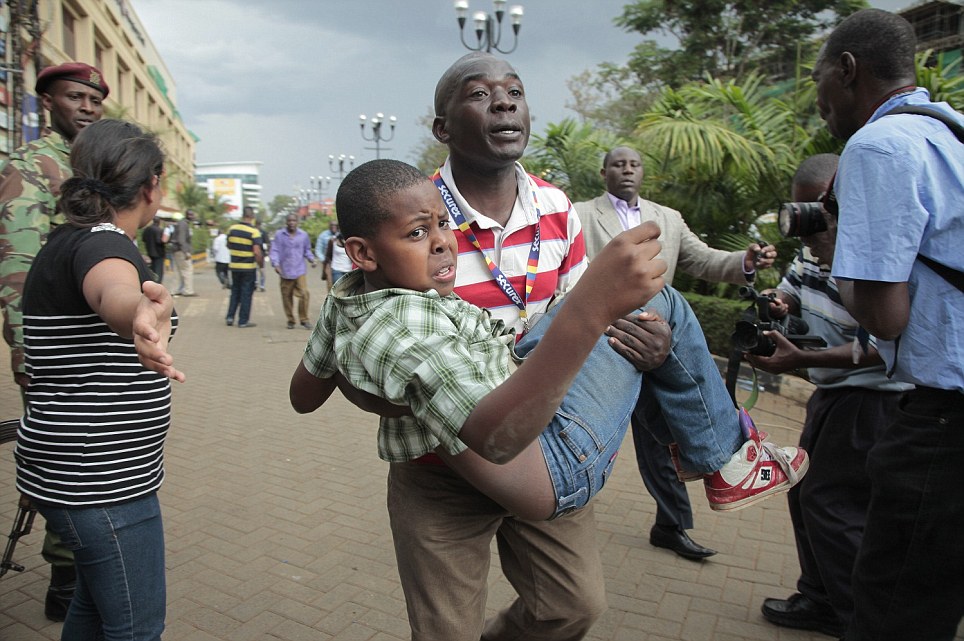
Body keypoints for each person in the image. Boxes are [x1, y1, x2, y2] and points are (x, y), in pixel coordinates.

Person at [299, 53, 807, 641]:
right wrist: (380, 393)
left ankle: (709, 451)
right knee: (445, 630)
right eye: (479, 94)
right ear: (442, 127)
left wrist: (647, 339)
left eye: (514, 90)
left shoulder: (556, 208)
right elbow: (350, 338)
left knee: (572, 608)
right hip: (440, 464)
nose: (504, 101)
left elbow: (581, 315)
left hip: (543, 430)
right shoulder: (407, 212)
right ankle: (718, 452)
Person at [812, 9, 964, 640]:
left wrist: (837, 246)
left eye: (819, 87)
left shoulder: (878, 146)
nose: (820, 105)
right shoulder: (951, 131)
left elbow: (883, 315)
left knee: (895, 606)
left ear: (847, 70)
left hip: (944, 425)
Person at [16, 118, 184, 640]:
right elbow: (113, 290)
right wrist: (136, 310)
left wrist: (138, 311)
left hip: (76, 474)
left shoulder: (70, 240)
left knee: (91, 612)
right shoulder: (103, 245)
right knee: (135, 628)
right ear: (151, 185)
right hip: (101, 484)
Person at [575, 146, 777, 561]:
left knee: (660, 438)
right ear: (603, 172)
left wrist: (747, 261)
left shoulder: (666, 217)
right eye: (618, 164)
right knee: (588, 432)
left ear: (643, 172)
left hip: (658, 340)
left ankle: (671, 525)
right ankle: (558, 507)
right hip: (606, 341)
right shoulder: (578, 213)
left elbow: (703, 260)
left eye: (634, 164)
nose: (627, 170)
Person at [746, 153, 913, 636]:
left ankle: (856, 618)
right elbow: (794, 289)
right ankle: (818, 597)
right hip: (833, 395)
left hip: (872, 400)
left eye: (816, 217)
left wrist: (802, 359)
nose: (806, 228)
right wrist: (781, 304)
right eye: (802, 215)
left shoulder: (874, 254)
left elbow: (888, 345)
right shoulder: (813, 248)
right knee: (804, 494)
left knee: (832, 503)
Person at [0, 60, 107, 622]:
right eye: (75, 97)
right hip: (54, 347)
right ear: (48, 102)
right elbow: (17, 264)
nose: (87, 108)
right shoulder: (32, 166)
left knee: (96, 455)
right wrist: (27, 350)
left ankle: (83, 563)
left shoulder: (96, 168)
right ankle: (66, 575)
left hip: (99, 341)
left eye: (94, 100)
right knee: (65, 459)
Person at [270, 213, 316, 329]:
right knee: (286, 296)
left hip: (299, 270)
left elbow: (307, 250)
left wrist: (311, 259)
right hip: (285, 271)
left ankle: (304, 319)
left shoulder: (303, 235)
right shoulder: (279, 235)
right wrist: (275, 264)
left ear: (297, 222)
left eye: (294, 221)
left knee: (304, 294)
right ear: (286, 222)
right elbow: (274, 250)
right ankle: (290, 320)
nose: (291, 223)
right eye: (289, 221)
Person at [225, 206, 264, 328]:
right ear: (252, 217)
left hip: (234, 266)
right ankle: (243, 320)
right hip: (248, 267)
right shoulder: (254, 232)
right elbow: (257, 251)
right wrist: (260, 265)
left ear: (242, 215)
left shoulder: (232, 229)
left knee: (235, 291)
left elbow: (228, 244)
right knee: (246, 293)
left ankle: (230, 317)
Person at [169, 208, 196, 296]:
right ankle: (188, 290)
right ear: (187, 215)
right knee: (187, 270)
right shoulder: (183, 224)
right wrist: (186, 252)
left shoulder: (181, 224)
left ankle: (174, 290)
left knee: (177, 271)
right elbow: (181, 239)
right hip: (181, 251)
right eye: (191, 215)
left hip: (176, 250)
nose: (193, 216)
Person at [142, 216, 168, 283]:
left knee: (152, 268)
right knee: (158, 270)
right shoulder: (159, 230)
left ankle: (152, 281)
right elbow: (159, 241)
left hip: (150, 251)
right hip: (159, 252)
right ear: (159, 222)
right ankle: (157, 283)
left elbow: (144, 239)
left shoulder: (147, 229)